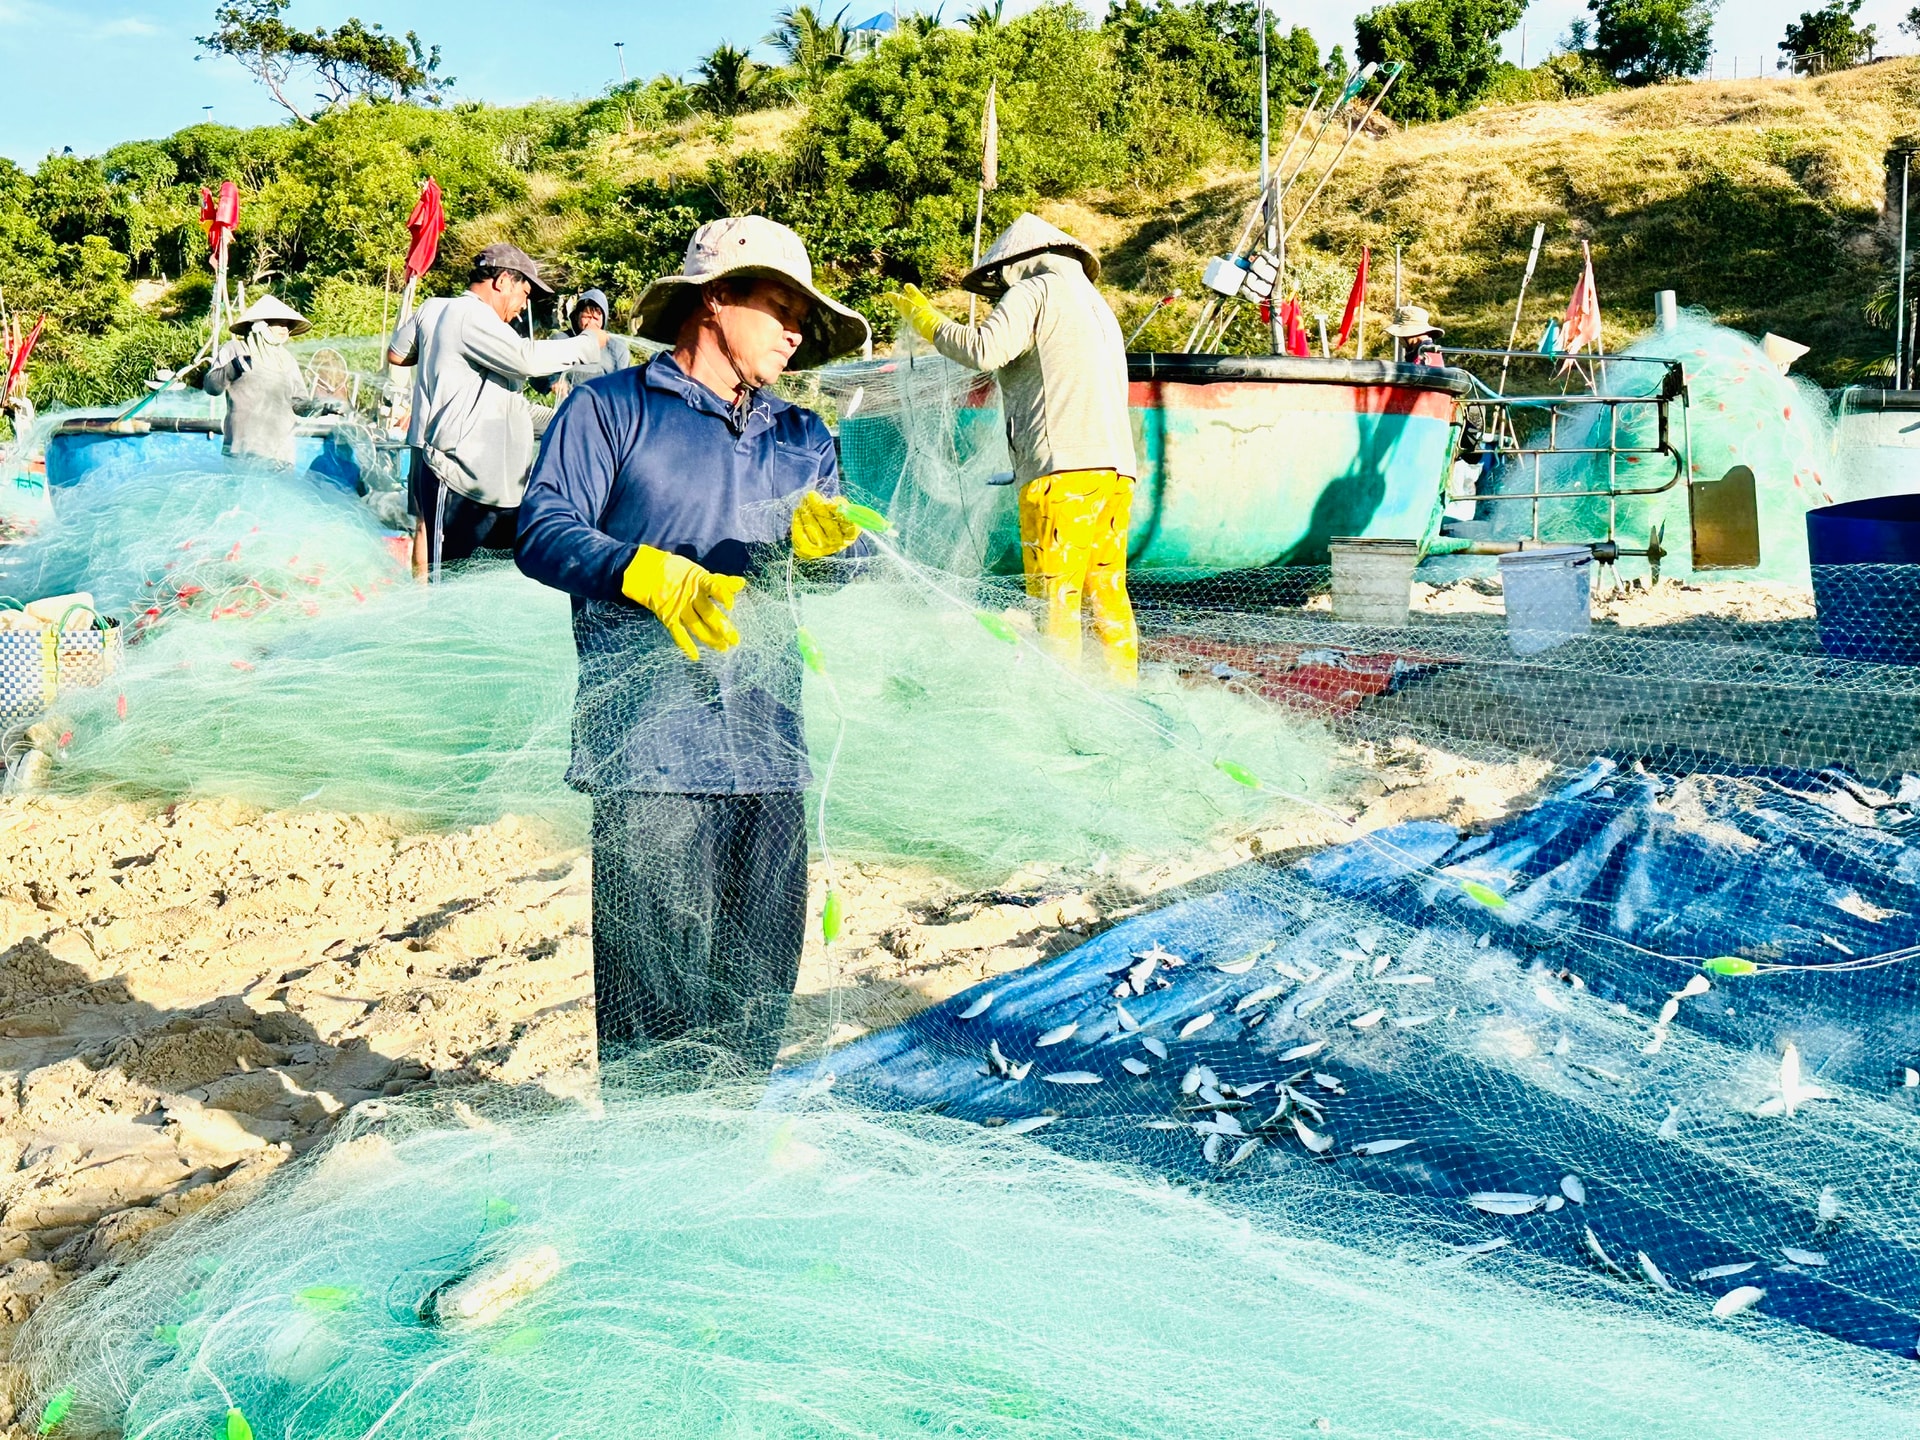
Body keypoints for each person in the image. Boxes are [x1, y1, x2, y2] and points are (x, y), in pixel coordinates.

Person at [515, 215, 870, 1073]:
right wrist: (641, 571)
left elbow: (848, 562)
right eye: (779, 306)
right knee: (655, 1007)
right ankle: (647, 1174)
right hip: (649, 751)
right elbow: (541, 528)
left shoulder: (803, 438)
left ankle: (727, 1165)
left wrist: (833, 552)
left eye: (802, 318)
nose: (794, 331)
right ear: (715, 299)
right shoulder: (609, 409)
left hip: (770, 747)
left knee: (757, 997)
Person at [888, 213, 1139, 682]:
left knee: (1055, 598)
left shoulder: (1035, 290)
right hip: (1115, 475)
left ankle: (1059, 705)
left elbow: (984, 350)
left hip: (1063, 477)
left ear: (1012, 265)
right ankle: (1121, 696)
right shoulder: (1096, 304)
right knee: (1107, 594)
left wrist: (926, 319)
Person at [387, 242, 608, 580]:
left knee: (490, 594)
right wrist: (589, 342)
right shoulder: (469, 315)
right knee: (453, 588)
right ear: (502, 280)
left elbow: (397, 354)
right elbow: (527, 359)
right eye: (525, 291)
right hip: (461, 484)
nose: (524, 305)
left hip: (498, 493)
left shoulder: (435, 311)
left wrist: (572, 420)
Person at [201, 296, 334, 466]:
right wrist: (232, 368)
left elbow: (298, 404)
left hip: (281, 454)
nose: (285, 328)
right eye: (279, 323)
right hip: (241, 450)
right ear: (260, 325)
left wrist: (319, 407)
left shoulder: (287, 359)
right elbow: (211, 387)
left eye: (288, 324)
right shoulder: (235, 349)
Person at [535, 289, 633, 403]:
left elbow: (624, 387)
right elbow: (537, 373)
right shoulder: (561, 340)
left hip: (604, 409)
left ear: (604, 319)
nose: (591, 323)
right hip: (569, 407)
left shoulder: (617, 348)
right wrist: (554, 382)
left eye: (596, 318)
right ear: (577, 316)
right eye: (587, 317)